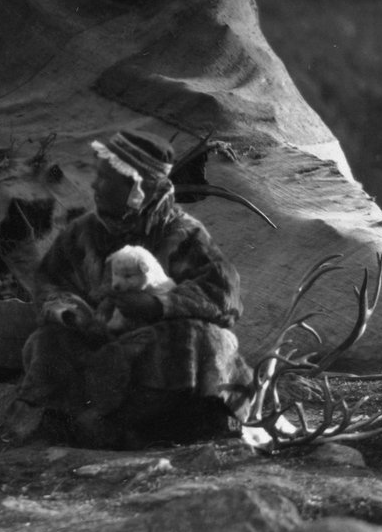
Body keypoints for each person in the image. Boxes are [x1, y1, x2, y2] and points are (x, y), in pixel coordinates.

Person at [15, 129, 253, 448]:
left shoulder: (185, 235)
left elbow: (224, 295)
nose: (95, 185)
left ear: (136, 187)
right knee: (47, 341)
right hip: (100, 348)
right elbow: (50, 282)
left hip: (159, 353)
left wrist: (158, 305)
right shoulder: (82, 234)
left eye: (105, 177)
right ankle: (64, 425)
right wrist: (72, 312)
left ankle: (193, 425)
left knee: (209, 340)